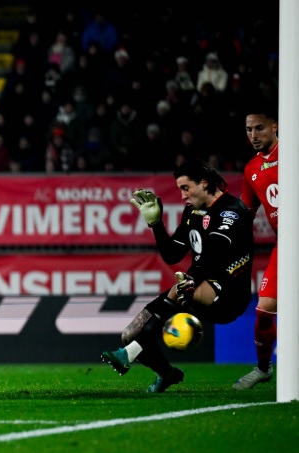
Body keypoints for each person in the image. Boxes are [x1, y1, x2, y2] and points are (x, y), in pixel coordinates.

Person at [101, 160, 254, 393]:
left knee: (181, 290)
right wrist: (156, 224)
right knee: (131, 334)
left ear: (204, 183)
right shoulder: (192, 211)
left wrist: (191, 280)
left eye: (186, 188)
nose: (183, 195)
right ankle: (166, 374)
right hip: (195, 284)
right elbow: (172, 255)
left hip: (229, 294)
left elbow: (215, 253)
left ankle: (128, 355)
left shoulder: (232, 211)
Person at [234, 110, 279, 389]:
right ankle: (264, 368)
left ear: (275, 127)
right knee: (264, 310)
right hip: (285, 246)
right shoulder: (251, 169)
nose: (253, 135)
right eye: (249, 130)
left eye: (259, 128)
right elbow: (245, 215)